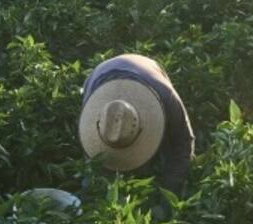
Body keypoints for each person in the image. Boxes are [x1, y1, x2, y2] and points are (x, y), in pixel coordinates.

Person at [80, 54, 194, 194]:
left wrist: (170, 191)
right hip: (99, 73)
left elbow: (183, 142)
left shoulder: (166, 95)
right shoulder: (92, 99)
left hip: (148, 71)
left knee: (167, 147)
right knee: (102, 168)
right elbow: (92, 158)